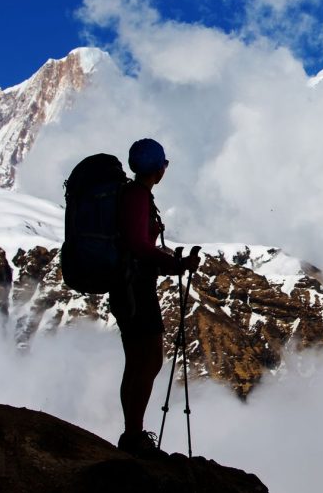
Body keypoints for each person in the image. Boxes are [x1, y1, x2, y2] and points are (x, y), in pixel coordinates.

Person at [112, 138, 200, 455]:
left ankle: (131, 431)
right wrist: (176, 264)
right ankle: (133, 435)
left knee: (137, 361)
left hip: (127, 288)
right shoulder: (137, 197)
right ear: (159, 169)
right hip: (136, 290)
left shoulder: (131, 195)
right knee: (148, 360)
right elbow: (139, 247)